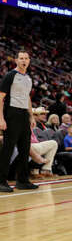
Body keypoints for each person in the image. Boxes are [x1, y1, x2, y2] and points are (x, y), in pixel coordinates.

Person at [0, 50, 38, 192]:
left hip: (23, 115)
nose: (24, 60)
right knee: (8, 149)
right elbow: (0, 97)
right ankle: (1, 181)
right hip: (11, 113)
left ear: (29, 61)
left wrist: (31, 116)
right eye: (21, 58)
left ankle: (22, 181)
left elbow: (27, 98)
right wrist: (1, 118)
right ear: (16, 60)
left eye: (26, 58)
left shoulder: (28, 78)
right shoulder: (10, 75)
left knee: (24, 148)